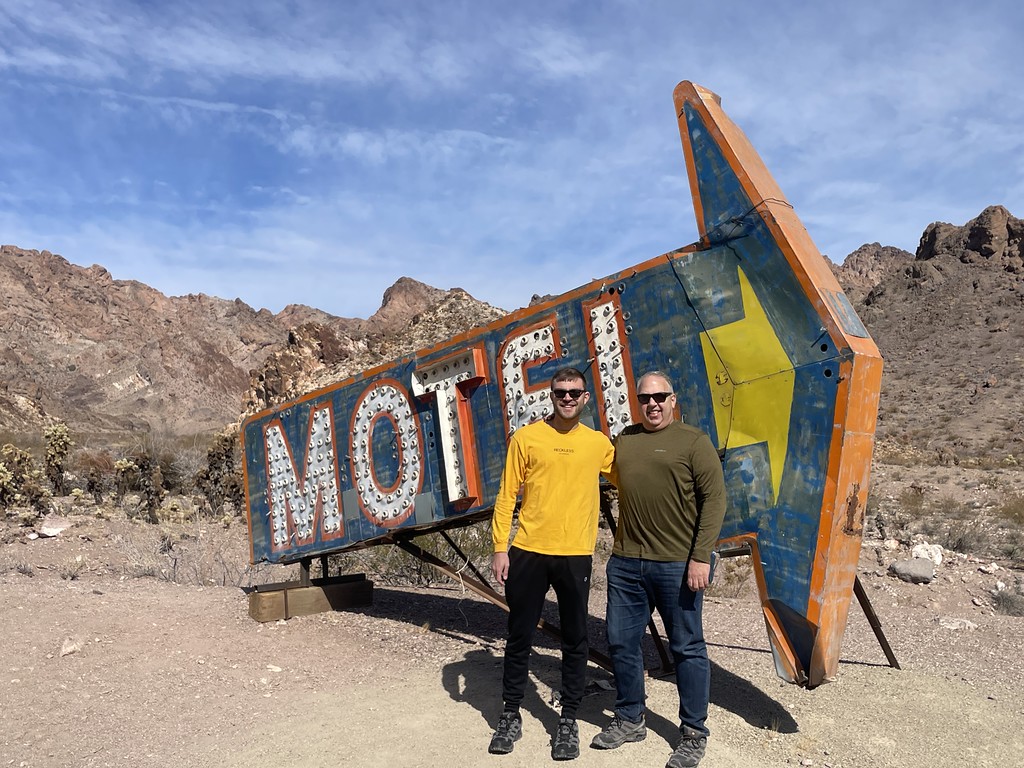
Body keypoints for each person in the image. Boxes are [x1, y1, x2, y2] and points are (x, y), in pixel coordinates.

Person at [591, 371, 726, 768]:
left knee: (687, 647)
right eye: (645, 398)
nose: (652, 404)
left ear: (673, 399)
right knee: (620, 642)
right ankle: (630, 718)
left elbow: (715, 500)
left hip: (677, 565)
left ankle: (693, 733)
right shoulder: (625, 441)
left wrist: (700, 557)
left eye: (659, 397)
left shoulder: (694, 442)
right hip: (627, 563)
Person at [488, 367, 615, 761]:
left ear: (585, 397)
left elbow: (634, 481)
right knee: (519, 635)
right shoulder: (526, 439)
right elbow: (506, 494)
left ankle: (568, 719)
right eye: (561, 392)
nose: (568, 398)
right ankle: (510, 714)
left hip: (575, 554)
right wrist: (499, 547)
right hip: (528, 550)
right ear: (551, 396)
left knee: (576, 639)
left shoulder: (598, 444)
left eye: (574, 392)